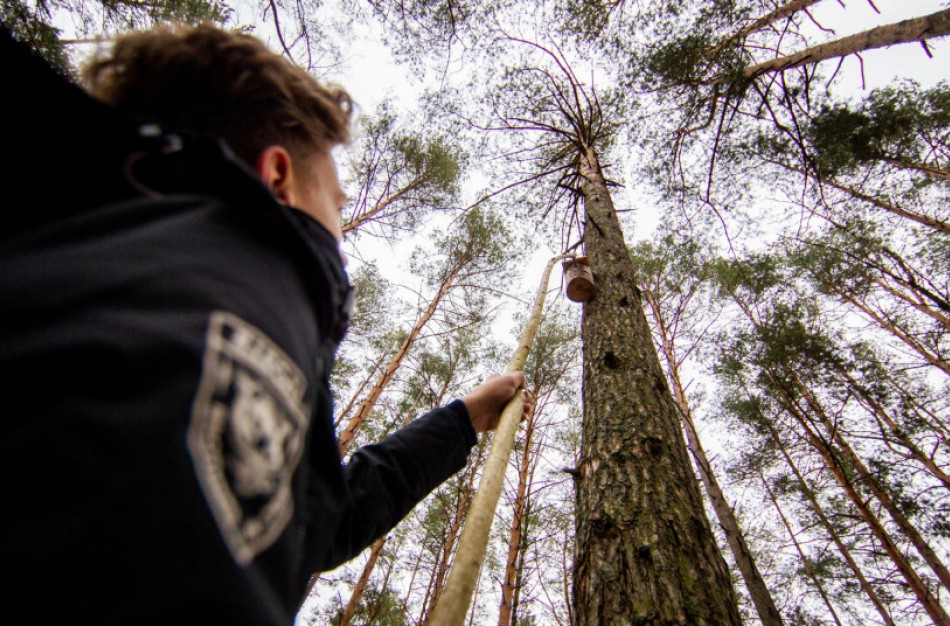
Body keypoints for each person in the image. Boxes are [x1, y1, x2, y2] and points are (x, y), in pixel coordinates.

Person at [0, 23, 531, 625]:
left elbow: (321, 522)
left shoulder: (71, 244)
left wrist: (461, 418)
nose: (340, 238)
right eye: (335, 202)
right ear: (277, 174)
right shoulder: (248, 268)